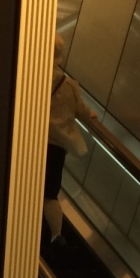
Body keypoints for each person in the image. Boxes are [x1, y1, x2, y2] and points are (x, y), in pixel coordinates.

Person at [44, 34, 98, 246]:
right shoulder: (69, 84)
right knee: (49, 192)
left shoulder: (34, 79)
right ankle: (56, 233)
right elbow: (82, 111)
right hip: (57, 146)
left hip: (33, 142)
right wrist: (90, 115)